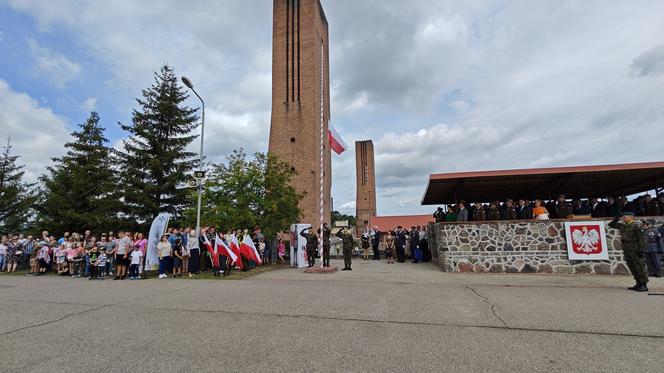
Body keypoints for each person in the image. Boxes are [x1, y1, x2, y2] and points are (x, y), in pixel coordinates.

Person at [609, 211, 648, 292]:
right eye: (623, 216)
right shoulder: (623, 225)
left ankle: (643, 284)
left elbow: (642, 239)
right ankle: (638, 283)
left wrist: (641, 250)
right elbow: (611, 225)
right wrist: (616, 218)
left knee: (639, 266)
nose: (623, 217)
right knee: (632, 266)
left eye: (625, 216)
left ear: (631, 217)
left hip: (635, 249)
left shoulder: (637, 226)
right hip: (627, 249)